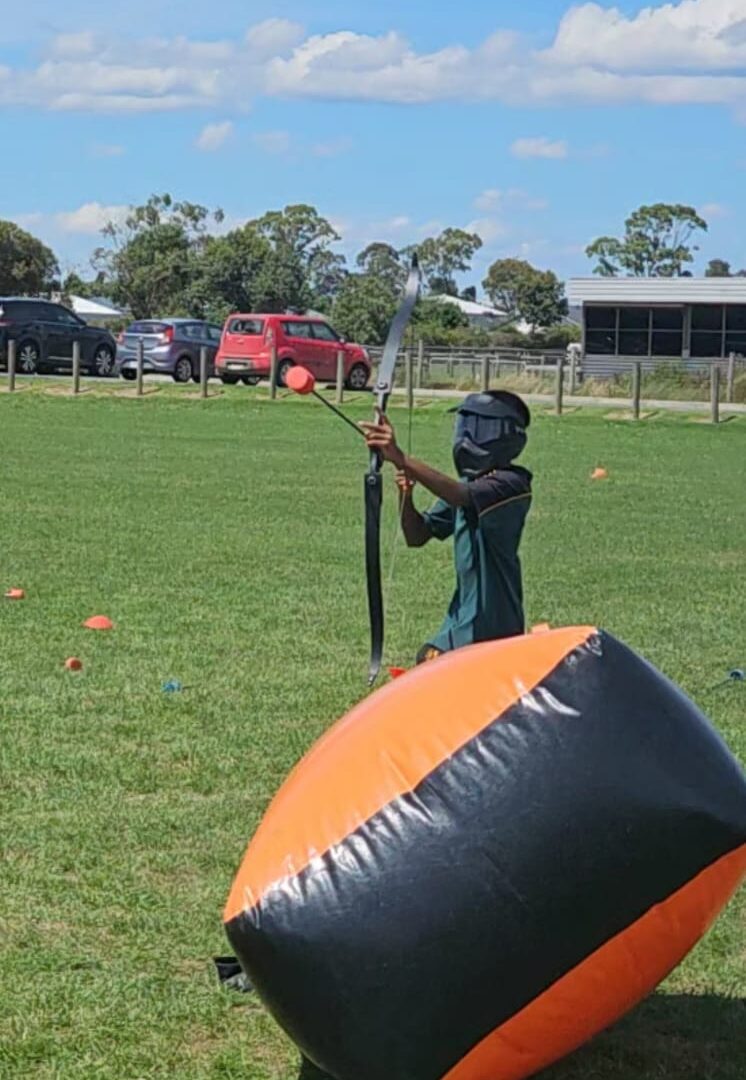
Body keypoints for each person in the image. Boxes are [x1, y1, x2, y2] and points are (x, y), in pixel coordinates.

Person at [360, 390, 532, 664]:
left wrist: (401, 458)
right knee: (427, 662)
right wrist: (406, 496)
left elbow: (461, 495)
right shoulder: (470, 484)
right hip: (461, 620)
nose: (463, 436)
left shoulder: (512, 484)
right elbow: (417, 535)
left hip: (494, 624)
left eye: (472, 426)